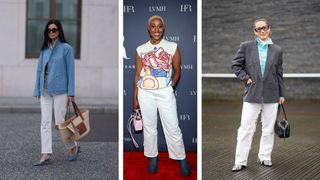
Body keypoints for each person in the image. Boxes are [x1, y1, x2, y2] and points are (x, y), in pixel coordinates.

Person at [132, 15, 191, 176]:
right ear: (148, 29)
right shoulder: (140, 49)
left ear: (163, 28)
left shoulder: (172, 46)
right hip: (145, 92)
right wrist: (135, 96)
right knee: (150, 127)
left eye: (159, 26)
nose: (156, 29)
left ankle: (181, 158)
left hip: (165, 92)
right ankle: (153, 157)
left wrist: (170, 87)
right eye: (153, 26)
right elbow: (138, 74)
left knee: (172, 127)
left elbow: (177, 70)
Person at [231, 17, 285, 172]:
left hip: (272, 95)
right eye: (258, 29)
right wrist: (246, 78)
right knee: (245, 128)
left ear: (269, 28)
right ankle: (240, 161)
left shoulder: (277, 50)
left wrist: (281, 94)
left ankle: (265, 156)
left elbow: (279, 74)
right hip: (252, 94)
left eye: (265, 28)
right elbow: (235, 65)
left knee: (268, 128)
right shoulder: (246, 46)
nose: (262, 31)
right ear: (254, 32)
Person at [33, 19, 79, 166]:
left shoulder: (66, 48)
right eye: (49, 30)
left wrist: (71, 93)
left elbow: (71, 72)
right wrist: (37, 89)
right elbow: (39, 70)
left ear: (59, 31)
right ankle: (46, 153)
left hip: (61, 90)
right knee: (45, 122)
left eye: (54, 30)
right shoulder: (44, 49)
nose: (51, 32)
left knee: (61, 122)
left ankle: (73, 147)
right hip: (45, 90)